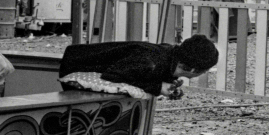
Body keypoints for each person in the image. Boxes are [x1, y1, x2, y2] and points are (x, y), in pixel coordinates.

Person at [59, 34, 218, 98]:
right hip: (76, 65)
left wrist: (167, 81)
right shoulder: (151, 63)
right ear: (191, 69)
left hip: (77, 58)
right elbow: (113, 75)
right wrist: (157, 87)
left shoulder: (169, 54)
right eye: (203, 71)